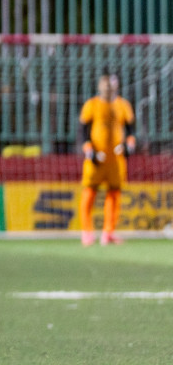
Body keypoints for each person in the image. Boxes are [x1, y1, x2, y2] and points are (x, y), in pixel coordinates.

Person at [79, 73, 135, 247]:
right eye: (105, 84)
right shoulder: (92, 105)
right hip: (97, 158)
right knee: (89, 192)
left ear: (116, 86)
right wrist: (90, 152)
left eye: (111, 84)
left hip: (115, 159)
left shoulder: (123, 105)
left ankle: (108, 232)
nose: (108, 87)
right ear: (99, 86)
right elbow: (82, 132)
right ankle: (87, 232)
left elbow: (131, 130)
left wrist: (128, 146)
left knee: (115, 194)